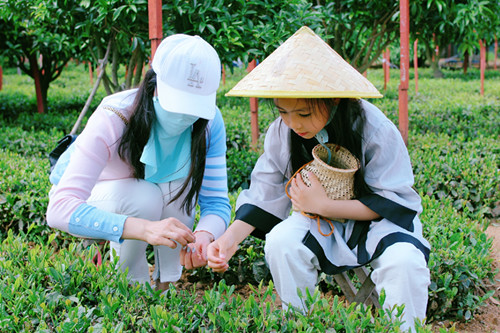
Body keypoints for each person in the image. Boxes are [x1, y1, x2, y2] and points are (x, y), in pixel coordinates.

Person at [207, 26, 431, 332]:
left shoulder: (375, 129)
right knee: (281, 241)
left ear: (335, 99)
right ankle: (302, 324)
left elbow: (392, 203)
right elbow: (264, 193)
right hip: (319, 220)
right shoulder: (280, 132)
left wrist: (325, 205)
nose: (293, 123)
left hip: (380, 224)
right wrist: (228, 241)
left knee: (405, 262)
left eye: (304, 113)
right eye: (283, 112)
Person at [46, 33, 231, 290]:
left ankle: (167, 284)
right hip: (101, 193)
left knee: (180, 187)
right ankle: (130, 287)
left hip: (150, 188)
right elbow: (60, 209)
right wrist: (143, 229)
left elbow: (217, 202)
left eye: (194, 108)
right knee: (144, 197)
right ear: (154, 85)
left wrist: (203, 236)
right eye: (177, 103)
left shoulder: (210, 121)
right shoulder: (115, 116)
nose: (185, 116)